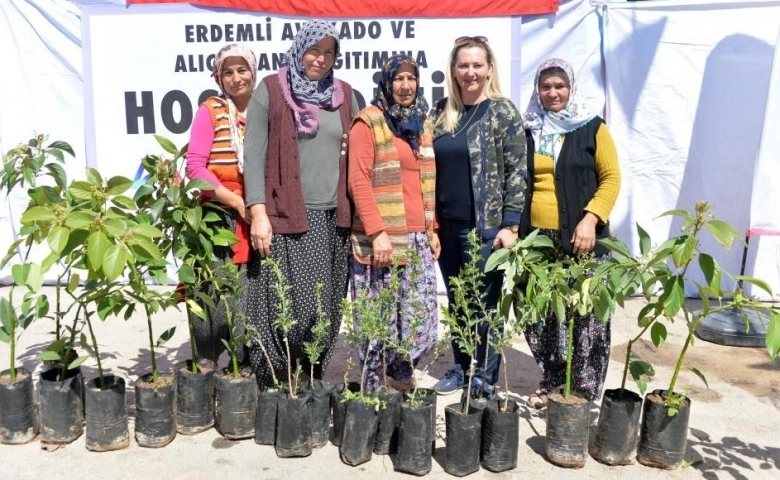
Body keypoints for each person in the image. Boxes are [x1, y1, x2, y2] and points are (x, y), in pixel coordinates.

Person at [243, 20, 358, 390]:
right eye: (314, 50)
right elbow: (254, 153)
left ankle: (309, 376)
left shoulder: (346, 95)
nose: (320, 60)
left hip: (335, 218)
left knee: (327, 306)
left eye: (329, 53)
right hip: (287, 214)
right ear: (299, 48)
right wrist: (258, 212)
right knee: (287, 304)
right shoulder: (272, 91)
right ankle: (277, 380)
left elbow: (361, 157)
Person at [430, 36, 527, 402]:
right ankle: (461, 365)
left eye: (477, 65)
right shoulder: (440, 112)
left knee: (484, 304)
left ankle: (484, 377)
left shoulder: (502, 112)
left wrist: (511, 224)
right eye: (463, 65)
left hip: (483, 228)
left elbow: (518, 170)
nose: (470, 72)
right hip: (447, 226)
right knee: (457, 300)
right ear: (453, 71)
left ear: (489, 68)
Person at [521, 58, 621, 408]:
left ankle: (581, 389)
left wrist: (591, 218)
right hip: (538, 242)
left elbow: (611, 178)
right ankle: (551, 382)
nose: (553, 93)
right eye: (545, 86)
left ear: (571, 88)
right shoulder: (529, 128)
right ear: (537, 90)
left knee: (587, 315)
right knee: (543, 316)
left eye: (559, 86)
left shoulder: (592, 127)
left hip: (584, 240)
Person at [348, 54, 440, 393]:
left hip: (417, 238)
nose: (405, 86)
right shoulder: (368, 121)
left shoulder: (421, 124)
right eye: (398, 79)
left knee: (415, 320)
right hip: (383, 239)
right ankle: (372, 388)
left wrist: (432, 230)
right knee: (378, 320)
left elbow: (427, 181)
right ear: (387, 83)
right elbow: (357, 180)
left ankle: (400, 380)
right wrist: (378, 232)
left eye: (411, 78)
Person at [184, 43, 256, 365]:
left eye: (242, 69)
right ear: (219, 77)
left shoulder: (265, 112)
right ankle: (207, 363)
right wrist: (236, 201)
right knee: (212, 292)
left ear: (253, 72)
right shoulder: (210, 111)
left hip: (255, 214)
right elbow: (195, 169)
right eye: (228, 71)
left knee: (246, 295)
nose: (236, 78)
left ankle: (241, 366)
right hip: (215, 215)